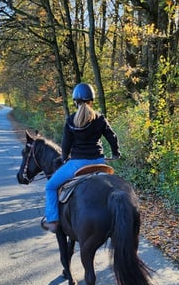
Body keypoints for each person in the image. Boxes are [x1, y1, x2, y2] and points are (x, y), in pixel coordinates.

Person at [41, 82, 121, 233]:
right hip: (99, 162)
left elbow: (65, 145)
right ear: (91, 100)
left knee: (50, 186)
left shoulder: (71, 120)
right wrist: (115, 153)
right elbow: (112, 137)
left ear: (75, 101)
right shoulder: (100, 119)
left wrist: (65, 158)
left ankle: (52, 221)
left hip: (78, 164)